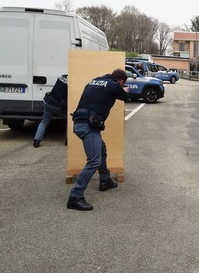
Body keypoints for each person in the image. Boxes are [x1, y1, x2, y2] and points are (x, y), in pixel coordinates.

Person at [67, 69, 129, 211]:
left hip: (80, 122)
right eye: (122, 84)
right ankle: (75, 196)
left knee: (102, 149)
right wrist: (123, 89)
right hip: (89, 125)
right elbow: (125, 96)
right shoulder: (114, 85)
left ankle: (105, 180)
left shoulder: (94, 80)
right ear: (120, 81)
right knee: (94, 160)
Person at [33, 74, 68, 148]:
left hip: (48, 102)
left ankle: (36, 141)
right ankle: (68, 140)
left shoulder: (62, 77)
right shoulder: (72, 81)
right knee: (69, 121)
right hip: (58, 106)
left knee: (44, 122)